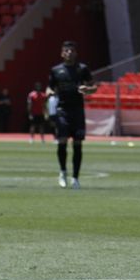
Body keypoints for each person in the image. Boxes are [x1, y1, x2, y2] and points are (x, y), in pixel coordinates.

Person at [47, 40, 95, 187]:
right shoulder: (56, 70)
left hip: (78, 111)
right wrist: (49, 94)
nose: (69, 53)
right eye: (66, 51)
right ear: (62, 54)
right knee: (62, 141)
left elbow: (94, 86)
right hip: (62, 110)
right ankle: (63, 172)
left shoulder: (82, 69)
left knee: (77, 143)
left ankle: (75, 178)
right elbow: (49, 88)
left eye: (72, 50)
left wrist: (88, 90)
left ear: (76, 53)